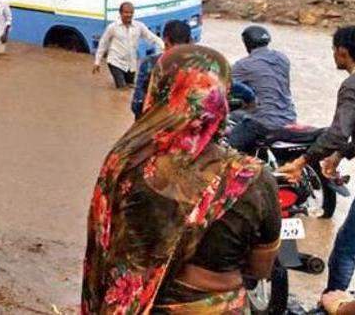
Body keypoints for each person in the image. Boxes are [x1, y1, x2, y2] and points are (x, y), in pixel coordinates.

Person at [82, 45, 281, 314]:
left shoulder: (124, 162)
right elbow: (260, 268)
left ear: (159, 89)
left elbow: (101, 250)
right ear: (220, 97)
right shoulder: (253, 178)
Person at [279, 25, 355, 294]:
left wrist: (302, 161)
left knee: (346, 249)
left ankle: (331, 304)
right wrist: (340, 155)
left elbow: (337, 132)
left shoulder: (354, 85)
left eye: (334, 50)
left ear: (343, 52)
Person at [227, 25, 298, 153]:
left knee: (226, 150)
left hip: (264, 123)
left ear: (247, 43)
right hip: (289, 118)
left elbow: (223, 83)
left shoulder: (243, 65)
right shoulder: (282, 58)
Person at [93, 2, 165, 89]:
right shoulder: (112, 27)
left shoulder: (139, 26)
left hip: (131, 64)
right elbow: (103, 43)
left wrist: (164, 46)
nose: (129, 15)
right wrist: (97, 62)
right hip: (115, 62)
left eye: (131, 13)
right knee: (122, 89)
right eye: (126, 12)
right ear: (120, 13)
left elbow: (152, 37)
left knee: (131, 86)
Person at [130, 19, 192, 118]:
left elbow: (137, 104)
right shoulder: (202, 67)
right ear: (190, 41)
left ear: (165, 40)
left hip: (155, 126)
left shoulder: (150, 64)